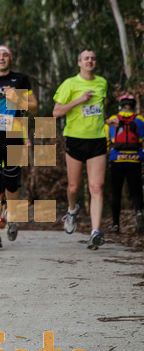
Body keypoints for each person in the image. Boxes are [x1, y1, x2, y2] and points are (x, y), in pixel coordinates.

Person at [0, 45, 38, 249]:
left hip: (14, 135)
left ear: (10, 59)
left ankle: (12, 217)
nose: (1, 58)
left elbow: (34, 107)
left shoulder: (20, 79)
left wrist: (17, 98)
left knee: (12, 183)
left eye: (5, 55)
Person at [52, 50, 108, 250]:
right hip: (75, 140)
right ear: (79, 63)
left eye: (93, 58)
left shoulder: (102, 82)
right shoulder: (70, 84)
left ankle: (95, 232)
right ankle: (72, 210)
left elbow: (101, 109)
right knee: (74, 187)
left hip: (98, 140)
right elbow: (56, 112)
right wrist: (79, 100)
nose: (90, 61)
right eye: (86, 58)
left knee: (97, 187)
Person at [105, 94, 144, 234]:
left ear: (120, 105)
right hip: (135, 160)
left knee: (116, 193)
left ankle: (115, 224)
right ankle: (139, 212)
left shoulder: (111, 120)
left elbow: (107, 142)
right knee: (136, 191)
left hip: (117, 160)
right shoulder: (140, 120)